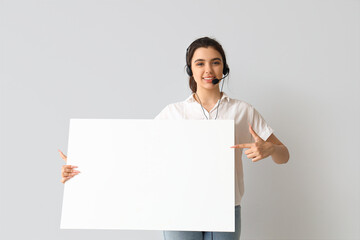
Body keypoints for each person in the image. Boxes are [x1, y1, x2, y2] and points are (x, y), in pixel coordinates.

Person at [59, 36, 290, 240]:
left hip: (226, 207)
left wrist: (269, 149)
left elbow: (284, 155)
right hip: (178, 206)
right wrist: (84, 167)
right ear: (190, 69)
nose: (208, 69)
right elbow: (135, 155)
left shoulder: (243, 110)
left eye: (215, 62)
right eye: (200, 63)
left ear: (224, 69)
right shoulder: (173, 113)